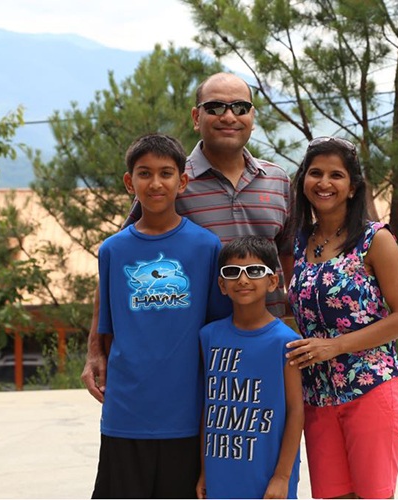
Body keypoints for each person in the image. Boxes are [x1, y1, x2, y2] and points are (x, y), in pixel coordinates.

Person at [82, 72, 292, 404]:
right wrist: (96, 348)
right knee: (207, 450)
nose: (228, 116)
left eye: (240, 107)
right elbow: (121, 261)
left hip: (268, 344)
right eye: (215, 107)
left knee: (268, 440)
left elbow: (289, 258)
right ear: (197, 117)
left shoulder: (278, 181)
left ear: (253, 117)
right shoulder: (170, 180)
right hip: (199, 354)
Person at [91, 133, 231, 498]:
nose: (155, 183)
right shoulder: (112, 250)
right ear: (129, 182)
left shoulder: (206, 246)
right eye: (144, 173)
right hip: (125, 413)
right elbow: (107, 332)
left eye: (166, 173)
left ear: (182, 181)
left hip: (185, 414)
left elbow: (215, 330)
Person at [284, 137, 398, 499]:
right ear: (303, 181)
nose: (324, 183)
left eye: (335, 175)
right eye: (315, 173)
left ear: (352, 186)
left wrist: (335, 346)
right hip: (317, 396)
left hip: (370, 388)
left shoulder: (375, 240)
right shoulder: (300, 242)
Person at [197, 236, 303, 499]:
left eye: (254, 271)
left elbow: (296, 410)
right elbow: (207, 409)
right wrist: (204, 470)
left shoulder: (286, 342)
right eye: (232, 272)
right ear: (222, 284)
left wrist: (282, 476)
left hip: (267, 478)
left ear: (272, 281)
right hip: (220, 474)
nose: (243, 280)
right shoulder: (208, 337)